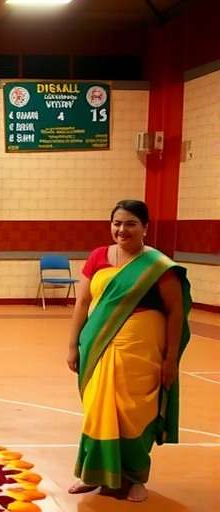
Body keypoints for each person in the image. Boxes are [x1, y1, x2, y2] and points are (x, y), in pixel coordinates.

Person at [66, 200, 191, 503]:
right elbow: (82, 303)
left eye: (131, 224)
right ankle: (94, 475)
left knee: (134, 413)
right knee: (98, 410)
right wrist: (72, 344)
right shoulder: (98, 257)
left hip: (141, 351)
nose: (122, 230)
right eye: (117, 223)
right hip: (97, 346)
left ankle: (134, 478)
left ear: (145, 227)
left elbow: (176, 312)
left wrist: (171, 358)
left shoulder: (158, 265)